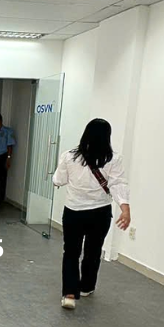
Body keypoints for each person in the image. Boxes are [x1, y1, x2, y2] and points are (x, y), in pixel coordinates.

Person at [52, 119, 131, 310]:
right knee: (93, 251)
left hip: (73, 212)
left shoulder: (69, 156)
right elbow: (118, 184)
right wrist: (125, 209)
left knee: (71, 252)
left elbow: (59, 179)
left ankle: (70, 294)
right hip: (100, 213)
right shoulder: (113, 159)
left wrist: (59, 181)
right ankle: (86, 287)